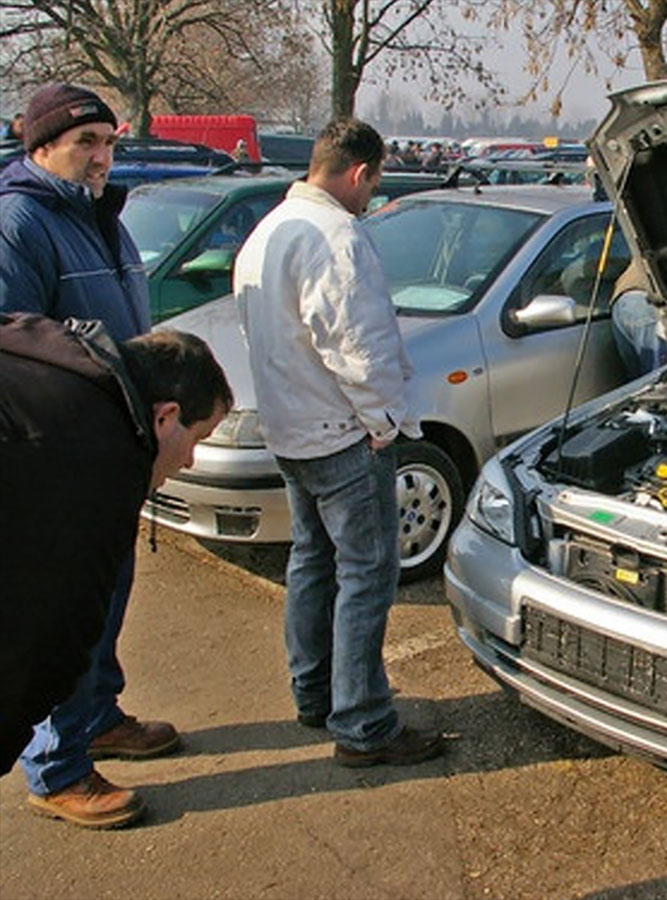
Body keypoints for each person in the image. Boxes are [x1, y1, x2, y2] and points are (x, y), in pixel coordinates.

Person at [0, 82, 184, 828]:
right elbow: (12, 340)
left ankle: (96, 715)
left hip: (117, 444)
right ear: (41, 147)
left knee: (107, 601)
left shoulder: (100, 216)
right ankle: (57, 766)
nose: (103, 157)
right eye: (86, 143)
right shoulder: (22, 219)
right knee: (70, 606)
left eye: (109, 142)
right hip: (65, 456)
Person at [234, 117, 444, 767]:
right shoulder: (336, 238)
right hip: (343, 436)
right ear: (359, 172)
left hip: (293, 431)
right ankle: (363, 723)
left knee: (314, 561)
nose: (371, 199)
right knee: (366, 574)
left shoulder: (266, 232)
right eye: (372, 186)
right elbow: (362, 348)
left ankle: (316, 692)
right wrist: (384, 424)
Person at [0, 315, 232, 794]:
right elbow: (52, 635)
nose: (189, 461)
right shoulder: (101, 458)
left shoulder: (61, 352)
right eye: (197, 440)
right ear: (166, 416)